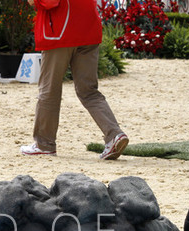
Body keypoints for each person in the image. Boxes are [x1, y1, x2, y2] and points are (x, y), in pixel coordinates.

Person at [20, 0, 128, 159]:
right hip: (89, 30)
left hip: (60, 32)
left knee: (49, 90)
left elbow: (49, 2)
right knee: (89, 91)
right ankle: (114, 134)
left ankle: (44, 144)